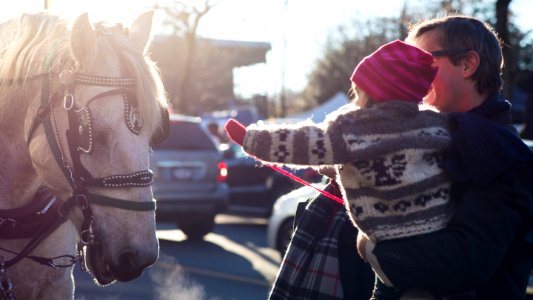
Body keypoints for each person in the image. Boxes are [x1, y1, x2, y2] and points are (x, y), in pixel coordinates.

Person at [225, 40, 456, 294]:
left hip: (391, 249)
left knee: (377, 272)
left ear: (376, 93)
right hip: (439, 240)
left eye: (358, 92)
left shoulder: (356, 128)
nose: (355, 100)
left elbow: (304, 142)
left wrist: (250, 138)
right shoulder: (434, 124)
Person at [360, 15, 533, 299]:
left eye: (423, 62)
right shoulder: (435, 137)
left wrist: (373, 246)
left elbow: (461, 262)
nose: (410, 75)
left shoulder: (505, 155)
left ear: (467, 64)